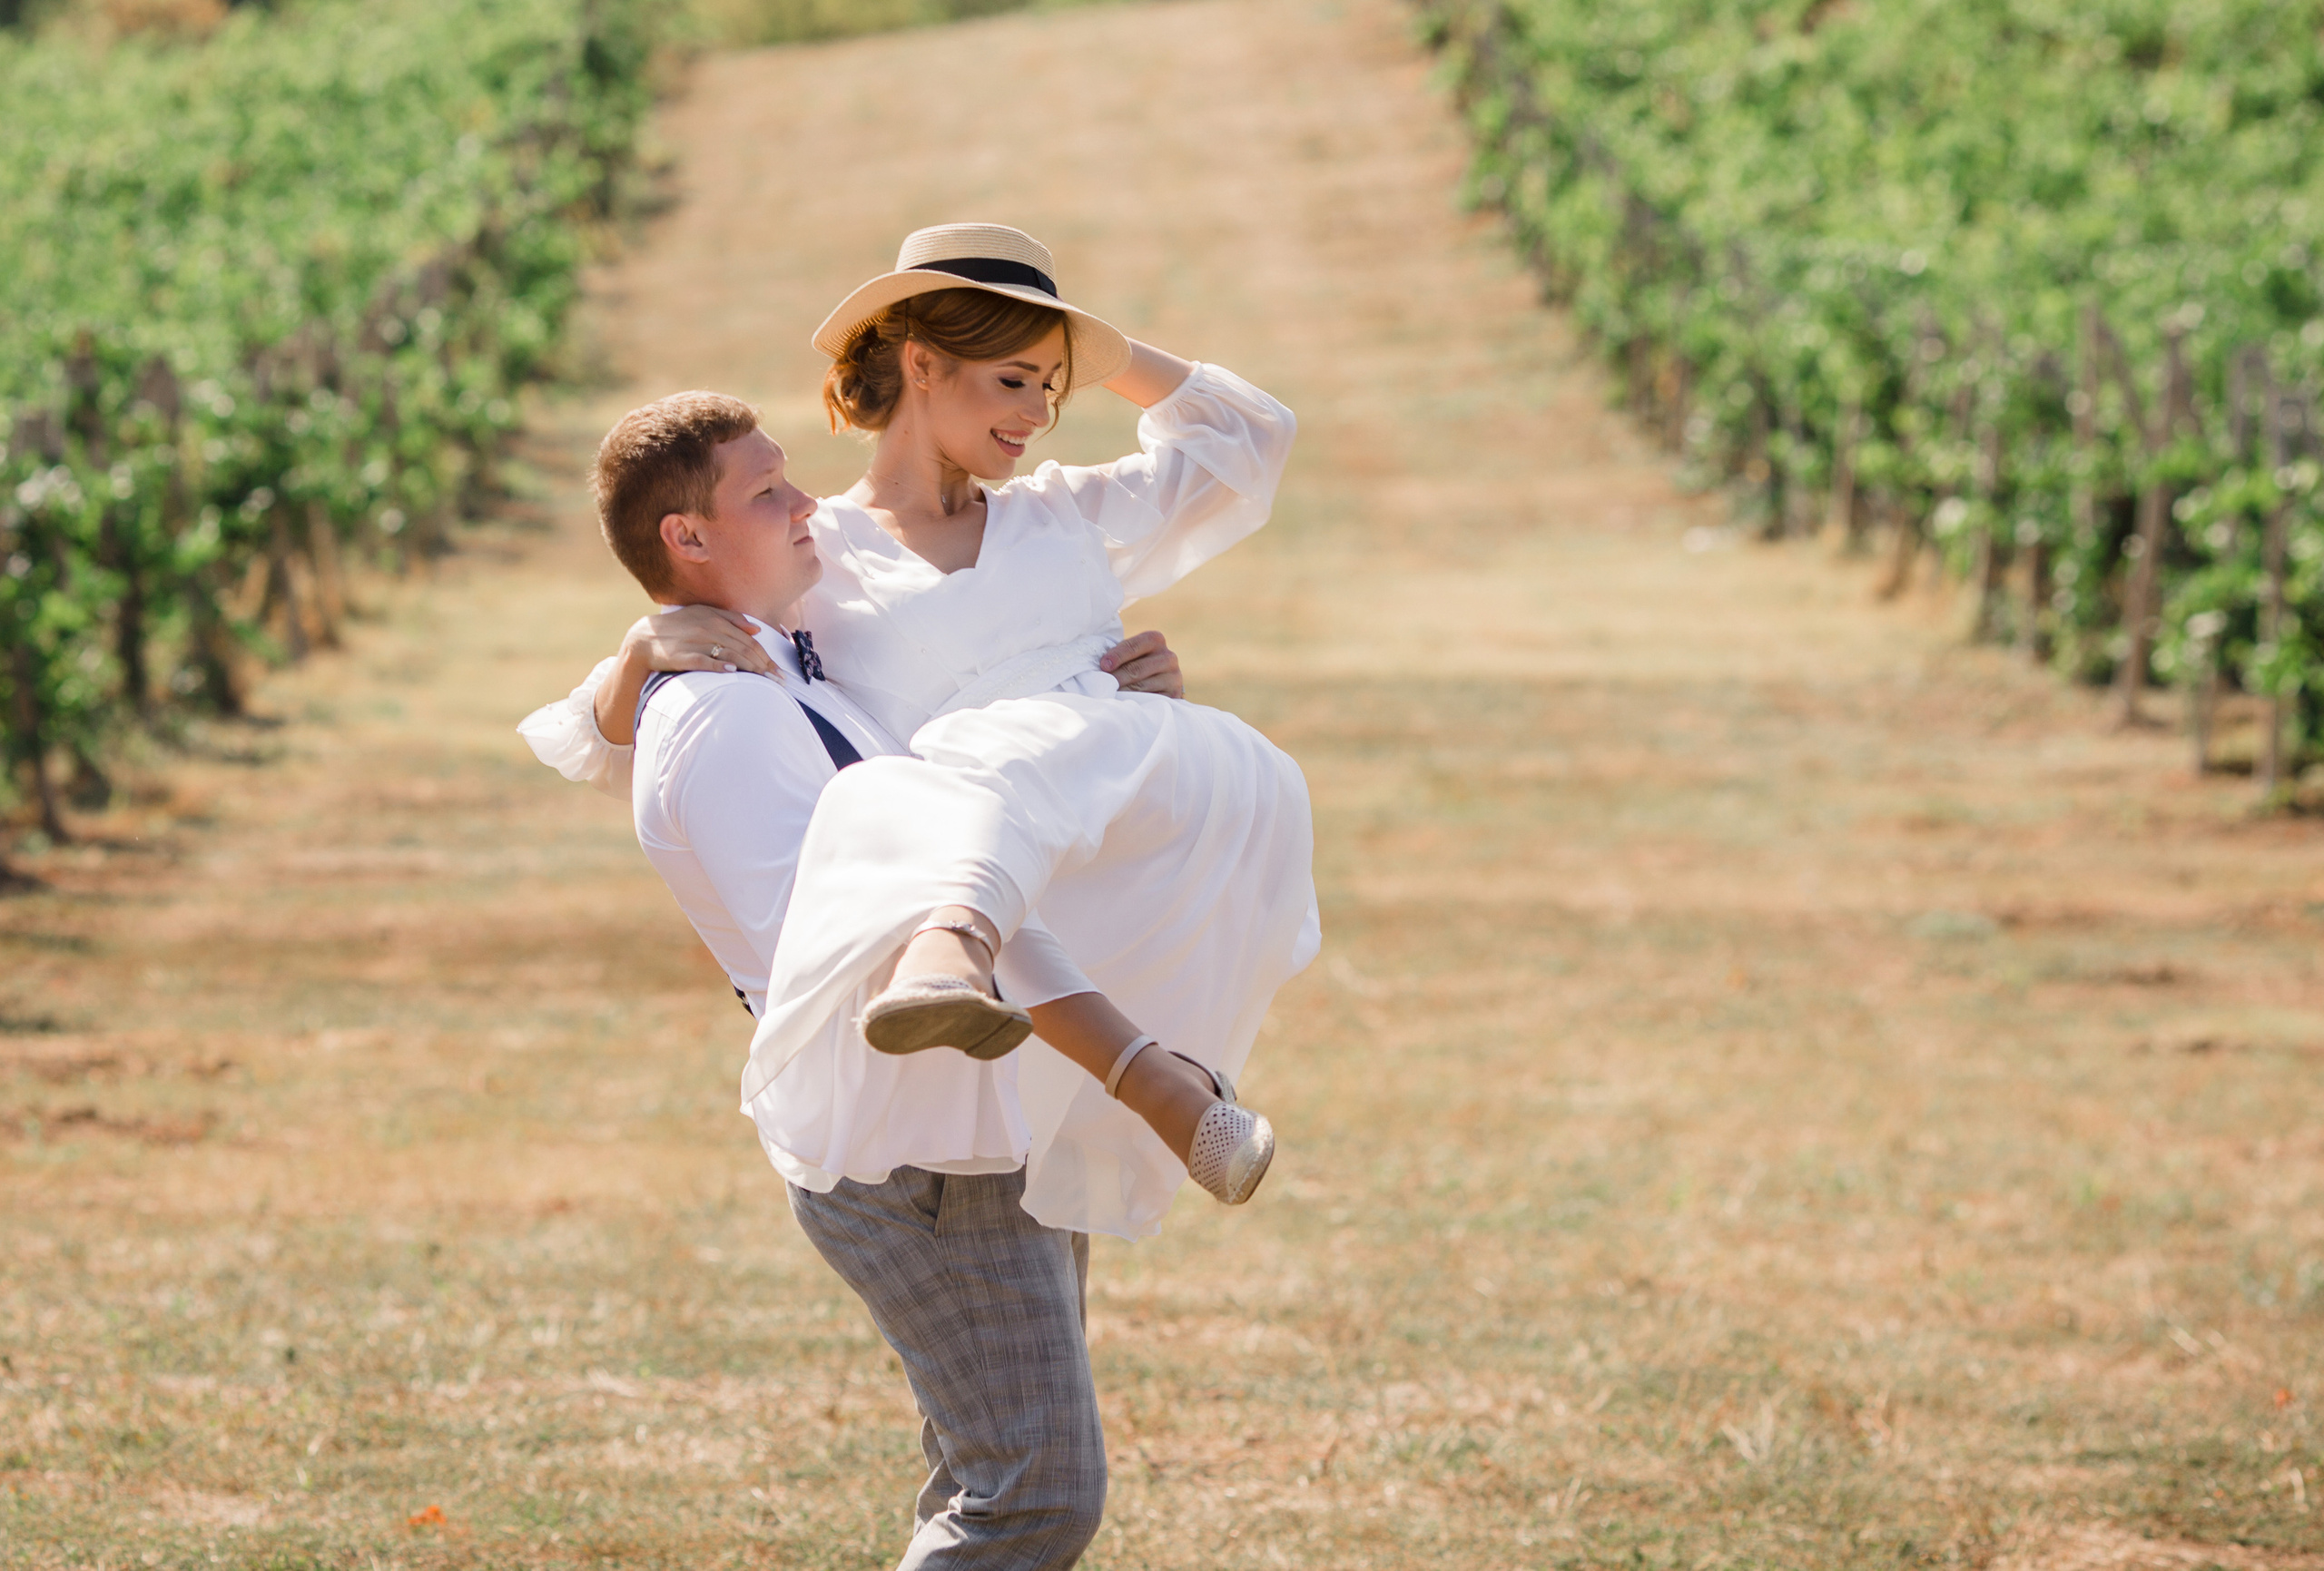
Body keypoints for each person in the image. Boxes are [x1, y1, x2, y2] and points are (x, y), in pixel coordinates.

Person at [533, 223, 1318, 1244]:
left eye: (1052, 386)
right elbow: (620, 738)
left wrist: (1098, 347)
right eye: (1011, 381)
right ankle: (1120, 1059)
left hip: (1130, 833)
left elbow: (1248, 434)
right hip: (1027, 966)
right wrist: (638, 656)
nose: (1039, 414)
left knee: (990, 763)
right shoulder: (821, 558)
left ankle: (966, 960)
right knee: (928, 792)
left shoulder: (1067, 519)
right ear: (921, 365)